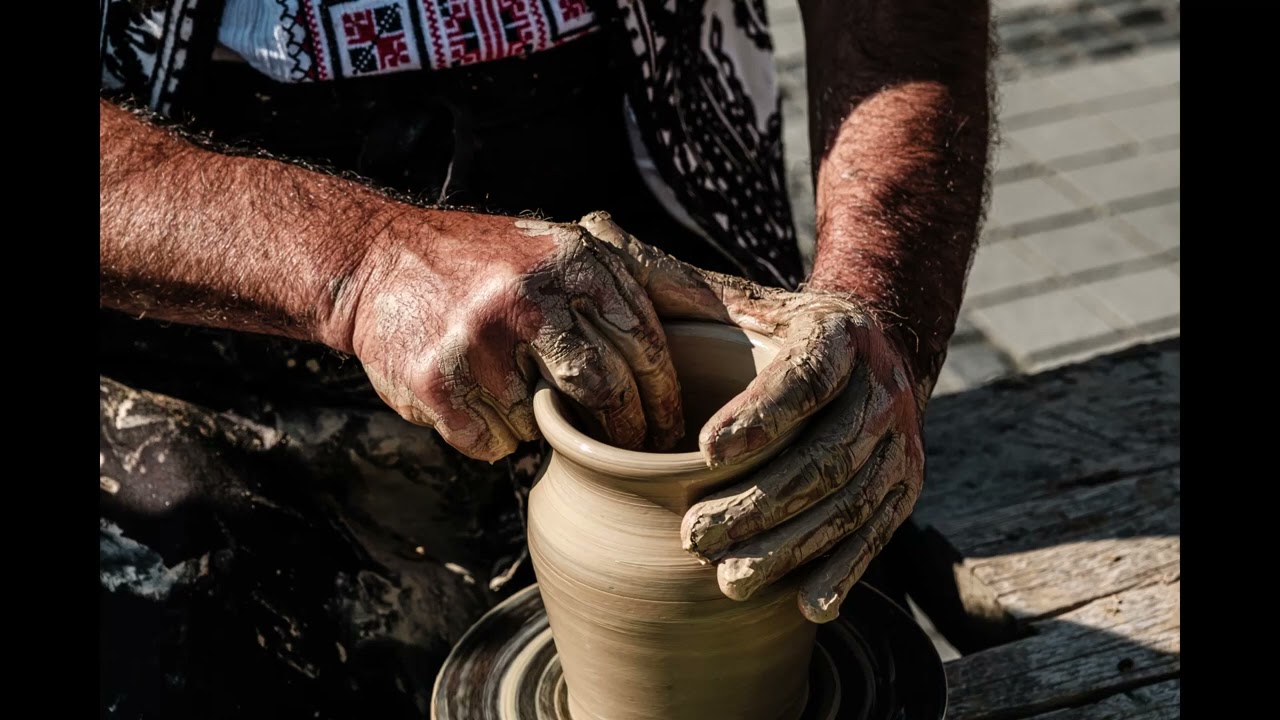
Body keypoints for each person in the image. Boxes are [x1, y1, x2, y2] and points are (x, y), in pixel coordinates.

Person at [99, 0, 991, 716]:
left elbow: (905, 21)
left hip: (651, 222)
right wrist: (359, 267)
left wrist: (876, 312)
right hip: (202, 289)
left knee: (786, 558)